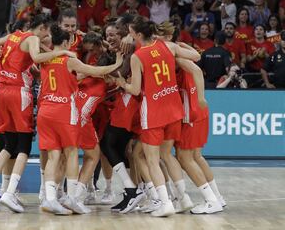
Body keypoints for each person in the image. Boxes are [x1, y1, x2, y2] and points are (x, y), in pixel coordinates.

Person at [0, 14, 77, 213]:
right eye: (46, 33)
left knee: (8, 144)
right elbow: (38, 57)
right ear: (42, 28)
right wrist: (63, 52)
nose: (46, 37)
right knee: (22, 146)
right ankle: (9, 192)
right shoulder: (32, 38)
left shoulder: (13, 35)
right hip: (16, 92)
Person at [115, 16, 201, 217]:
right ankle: (184, 198)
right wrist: (180, 44)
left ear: (137, 34)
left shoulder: (138, 56)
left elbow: (135, 90)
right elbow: (196, 56)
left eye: (131, 32)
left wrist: (122, 84)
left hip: (153, 113)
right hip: (174, 110)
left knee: (152, 160)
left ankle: (165, 203)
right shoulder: (167, 45)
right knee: (167, 156)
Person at [38, 24, 123, 215]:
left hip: (45, 109)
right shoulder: (70, 60)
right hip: (64, 110)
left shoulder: (44, 60)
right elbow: (96, 71)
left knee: (54, 156)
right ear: (67, 43)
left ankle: (49, 198)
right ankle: (72, 197)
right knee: (72, 153)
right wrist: (117, 63)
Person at [176, 68, 224, 214]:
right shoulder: (182, 53)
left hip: (192, 114)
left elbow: (196, 69)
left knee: (185, 158)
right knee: (196, 157)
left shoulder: (179, 57)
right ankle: (217, 197)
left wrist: (201, 97)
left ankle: (211, 200)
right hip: (199, 112)